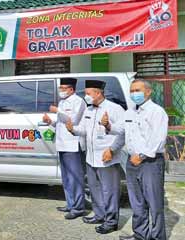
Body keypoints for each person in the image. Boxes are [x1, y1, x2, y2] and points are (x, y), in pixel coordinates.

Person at [101, 79, 168, 240]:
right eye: (131, 91)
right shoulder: (130, 112)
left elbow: (158, 139)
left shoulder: (156, 111)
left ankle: (158, 236)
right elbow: (120, 131)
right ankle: (140, 235)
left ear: (148, 92)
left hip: (150, 162)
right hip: (132, 162)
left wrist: (143, 155)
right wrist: (108, 125)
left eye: (137, 90)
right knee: (137, 202)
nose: (133, 94)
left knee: (154, 203)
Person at [66, 80, 126, 234]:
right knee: (95, 189)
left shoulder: (115, 109)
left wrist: (112, 150)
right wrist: (73, 129)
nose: (85, 96)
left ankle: (111, 221)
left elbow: (123, 133)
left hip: (107, 157)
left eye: (88, 93)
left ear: (98, 93)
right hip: (91, 157)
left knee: (110, 191)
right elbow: (85, 130)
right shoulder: (89, 110)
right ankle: (99, 215)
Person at [42, 77, 86, 220]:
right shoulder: (62, 102)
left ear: (71, 89)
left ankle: (78, 208)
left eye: (63, 88)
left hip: (73, 144)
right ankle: (70, 204)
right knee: (66, 178)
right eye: (60, 88)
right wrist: (51, 121)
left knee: (75, 177)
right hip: (62, 144)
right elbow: (61, 122)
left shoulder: (78, 102)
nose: (61, 91)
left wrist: (58, 110)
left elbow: (72, 120)